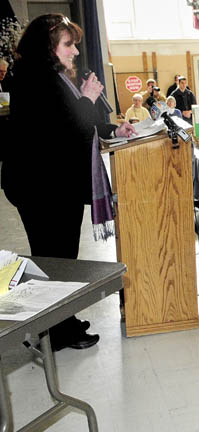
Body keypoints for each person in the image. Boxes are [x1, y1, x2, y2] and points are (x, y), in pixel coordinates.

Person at [2, 14, 137, 351]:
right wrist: (89, 98)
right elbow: (62, 129)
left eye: (75, 43)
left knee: (63, 256)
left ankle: (61, 321)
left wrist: (113, 130)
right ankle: (53, 332)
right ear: (47, 47)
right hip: (41, 186)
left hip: (57, 183)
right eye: (67, 44)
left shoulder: (55, 77)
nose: (75, 51)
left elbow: (79, 122)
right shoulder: (32, 79)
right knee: (54, 257)